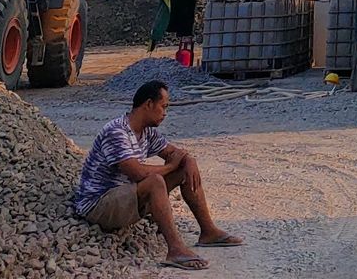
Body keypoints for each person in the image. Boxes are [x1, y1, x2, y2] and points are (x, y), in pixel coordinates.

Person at [72, 79, 242, 271]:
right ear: (149, 104)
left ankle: (208, 232)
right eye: (163, 107)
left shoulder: (146, 132)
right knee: (155, 181)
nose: (165, 113)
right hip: (99, 204)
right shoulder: (117, 131)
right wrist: (171, 166)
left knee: (182, 169)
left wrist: (188, 159)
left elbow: (175, 154)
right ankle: (176, 249)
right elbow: (137, 172)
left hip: (123, 199)